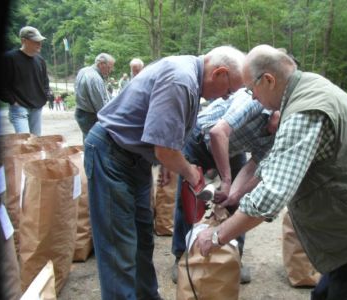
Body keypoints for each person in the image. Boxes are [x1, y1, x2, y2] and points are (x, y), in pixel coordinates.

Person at [196, 44, 347, 300]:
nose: (252, 97)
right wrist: (236, 194)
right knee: (323, 293)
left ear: (268, 80)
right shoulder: (306, 87)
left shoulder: (304, 110)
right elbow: (269, 162)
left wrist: (218, 236)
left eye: (251, 90)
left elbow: (271, 198)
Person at [84, 45, 245, 300]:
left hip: (134, 159)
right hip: (112, 155)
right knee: (119, 248)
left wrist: (169, 163)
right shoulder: (181, 80)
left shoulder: (189, 77)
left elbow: (165, 143)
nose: (225, 98)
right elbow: (165, 150)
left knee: (142, 242)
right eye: (228, 91)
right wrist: (191, 174)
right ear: (219, 73)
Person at [170, 88, 279, 284]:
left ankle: (235, 256)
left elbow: (253, 168)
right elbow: (217, 133)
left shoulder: (280, 136)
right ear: (277, 108)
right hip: (200, 140)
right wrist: (227, 181)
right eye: (279, 123)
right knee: (188, 201)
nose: (277, 130)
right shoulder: (254, 99)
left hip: (231, 149)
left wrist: (234, 195)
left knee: (238, 204)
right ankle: (181, 255)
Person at [0, 26, 51, 136]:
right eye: (36, 41)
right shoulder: (9, 58)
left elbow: (45, 81)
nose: (39, 44)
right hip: (19, 108)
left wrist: (46, 95)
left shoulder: (40, 60)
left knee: (36, 142)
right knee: (25, 142)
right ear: (24, 41)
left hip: (37, 108)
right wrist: (13, 101)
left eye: (40, 41)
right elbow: (0, 85)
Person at [74, 53, 115, 141]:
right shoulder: (95, 78)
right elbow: (100, 106)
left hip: (80, 112)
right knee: (94, 142)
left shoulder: (83, 70)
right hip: (89, 116)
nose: (110, 70)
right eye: (109, 67)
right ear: (101, 64)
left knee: (87, 139)